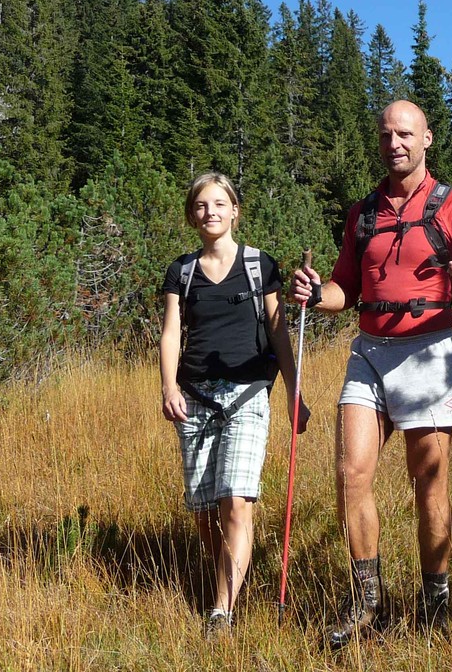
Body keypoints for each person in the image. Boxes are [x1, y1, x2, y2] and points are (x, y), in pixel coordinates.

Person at [292, 100, 452, 646]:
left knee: (429, 484)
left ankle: (436, 603)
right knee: (350, 476)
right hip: (369, 351)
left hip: (430, 352)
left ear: (427, 138)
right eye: (387, 135)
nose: (395, 144)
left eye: (405, 134)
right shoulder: (362, 213)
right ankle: (368, 602)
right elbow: (345, 289)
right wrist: (316, 294)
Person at [159, 172, 308, 637]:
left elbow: (279, 330)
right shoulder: (181, 272)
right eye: (202, 206)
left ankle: (221, 612)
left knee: (236, 504)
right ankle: (230, 569)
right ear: (192, 215)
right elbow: (170, 333)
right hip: (195, 396)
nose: (211, 212)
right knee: (205, 512)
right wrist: (169, 387)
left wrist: (292, 391)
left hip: (248, 394)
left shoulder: (259, 265)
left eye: (220, 204)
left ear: (235, 210)